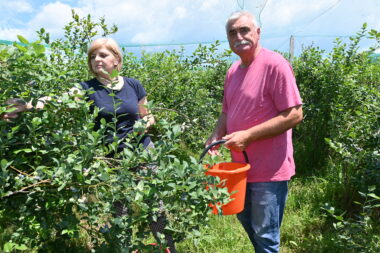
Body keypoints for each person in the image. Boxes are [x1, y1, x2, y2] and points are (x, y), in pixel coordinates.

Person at [2, 37, 176, 252]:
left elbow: (147, 115)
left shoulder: (133, 84)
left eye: (103, 55)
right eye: (93, 57)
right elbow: (56, 100)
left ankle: (167, 247)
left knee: (154, 204)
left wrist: (146, 124)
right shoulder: (86, 88)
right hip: (112, 157)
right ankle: (123, 248)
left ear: (117, 59)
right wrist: (25, 106)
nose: (97, 60)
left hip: (143, 152)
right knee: (118, 208)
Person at [206, 11, 303, 253]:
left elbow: (295, 114)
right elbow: (227, 111)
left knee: (266, 233)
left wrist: (248, 136)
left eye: (244, 30)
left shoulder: (275, 64)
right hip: (238, 167)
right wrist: (216, 134)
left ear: (258, 33)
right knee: (243, 217)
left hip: (269, 169)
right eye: (232, 33)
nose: (238, 36)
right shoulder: (233, 71)